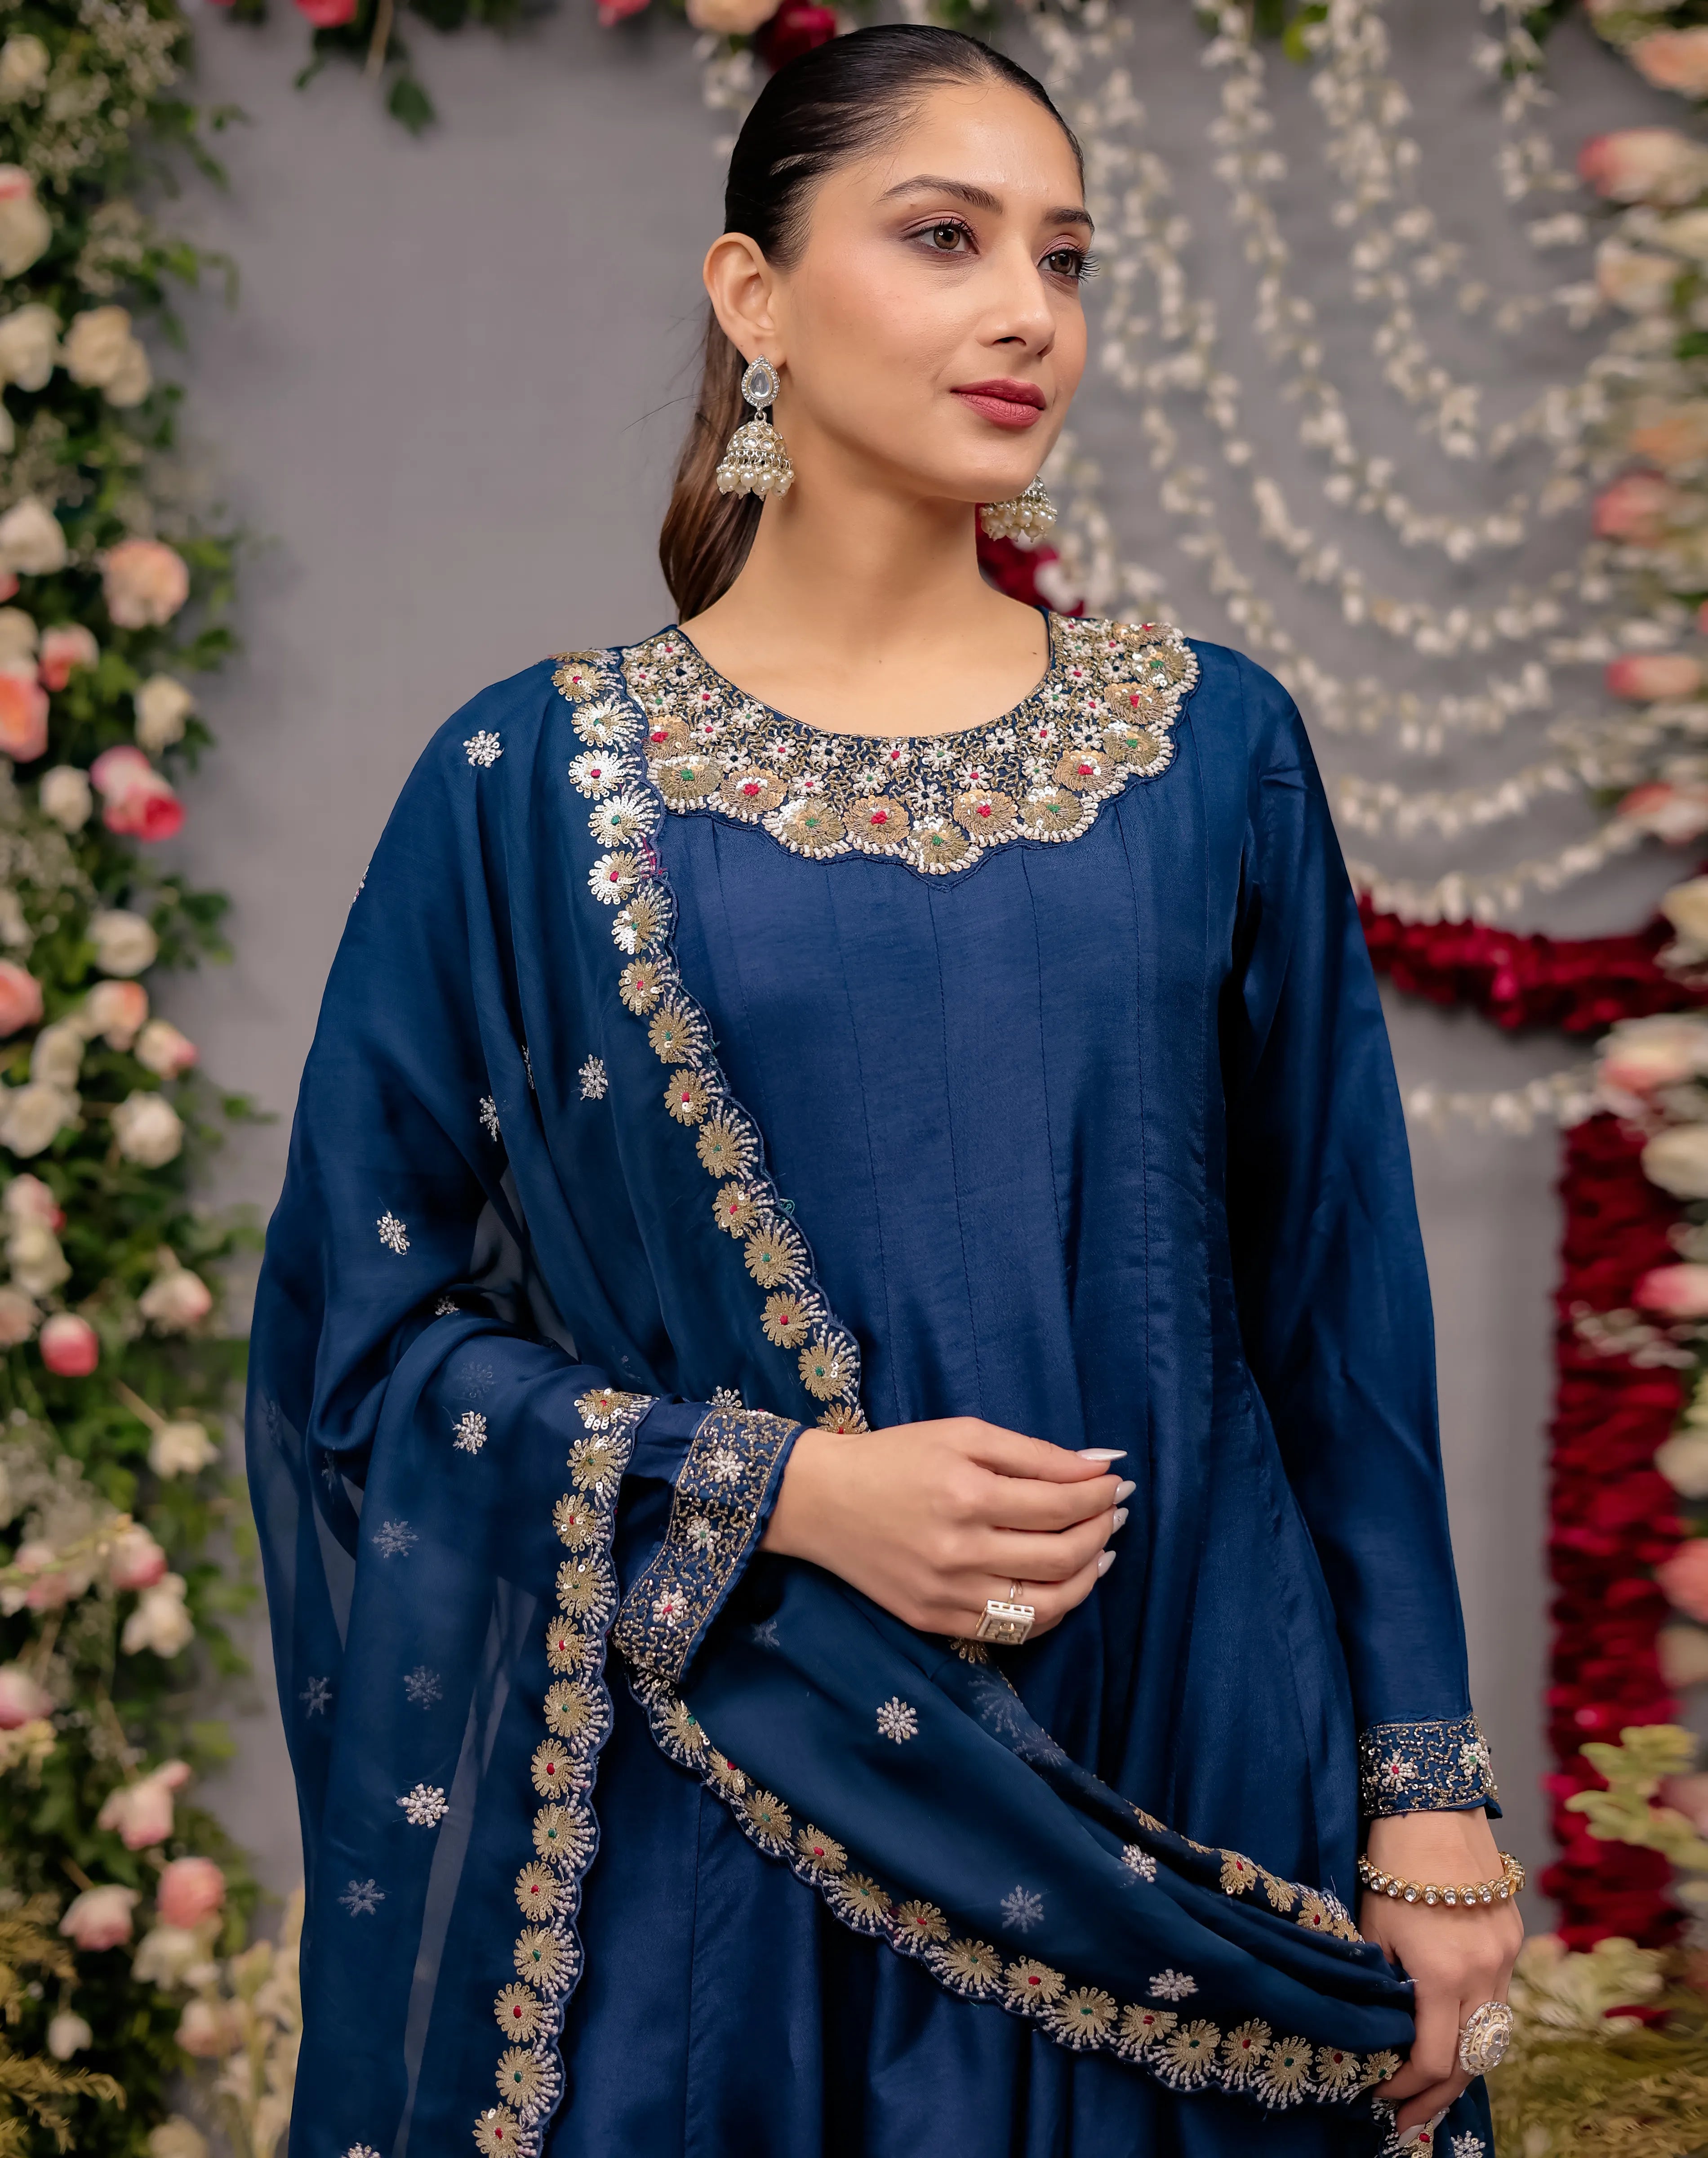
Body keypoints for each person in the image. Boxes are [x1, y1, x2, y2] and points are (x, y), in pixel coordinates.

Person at [247, 24, 1523, 2158]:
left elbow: (1337, 1328)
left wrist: (1427, 1799)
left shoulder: (1208, 747)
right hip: (740, 1803)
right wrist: (779, 1491)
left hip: (1187, 1772)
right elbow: (358, 1364)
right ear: (752, 297)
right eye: (941, 239)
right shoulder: (531, 784)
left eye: (1065, 255)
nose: (1028, 310)